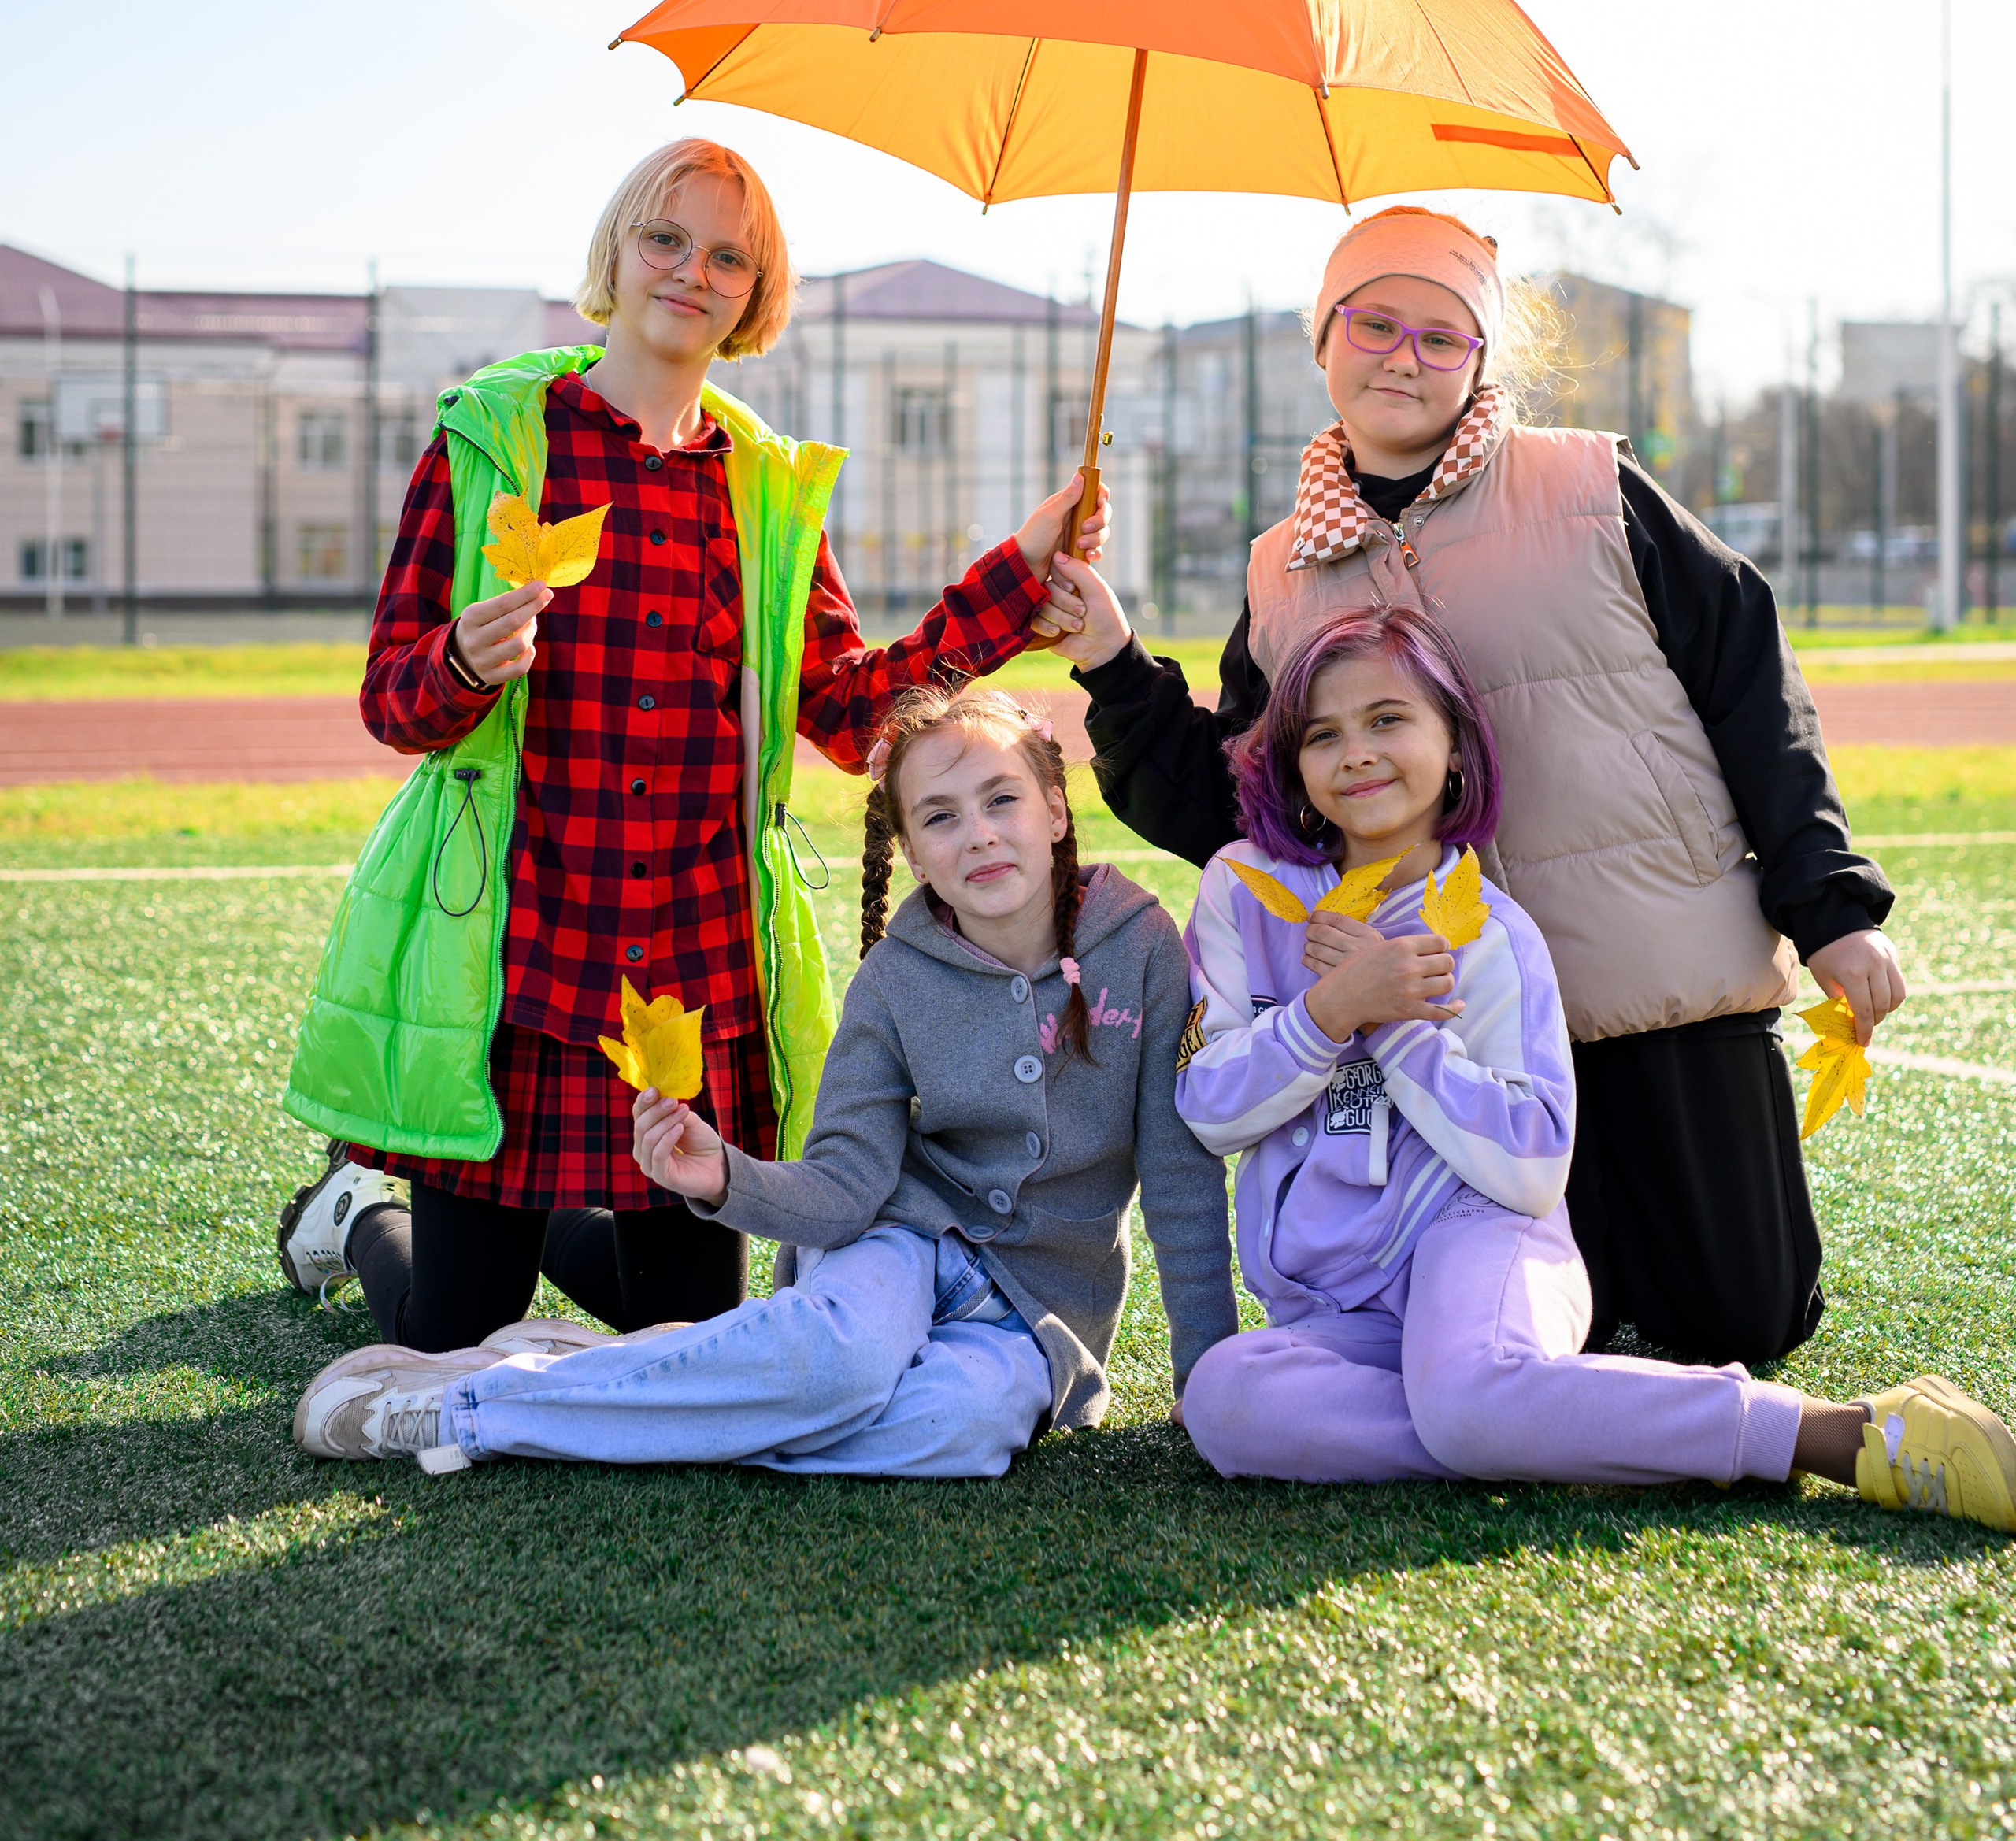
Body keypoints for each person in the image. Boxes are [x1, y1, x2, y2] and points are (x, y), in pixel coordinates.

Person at [273, 138, 1110, 1355]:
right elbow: (393, 703)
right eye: (666, 238)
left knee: (693, 1333)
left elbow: (848, 713)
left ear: (756, 294)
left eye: (729, 256)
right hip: (517, 943)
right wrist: (460, 658)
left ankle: (549, 1220)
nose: (691, 272)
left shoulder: (765, 488)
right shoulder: (499, 438)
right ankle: (354, 1215)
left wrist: (1014, 576)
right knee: (452, 1335)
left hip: (686, 957)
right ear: (617, 250)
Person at [1043, 205, 1905, 1369]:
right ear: (1322, 339)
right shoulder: (1281, 567)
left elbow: (1751, 680)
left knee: (1737, 1323)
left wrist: (1830, 906)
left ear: (1483, 359)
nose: (1404, 354)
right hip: (1453, 1025)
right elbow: (1244, 808)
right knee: (1556, 1337)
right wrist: (1112, 656)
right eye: (1375, 322)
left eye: (1442, 337)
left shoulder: (1590, 486)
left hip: (1651, 985)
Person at [1174, 607, 2015, 1529]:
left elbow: (1529, 1168)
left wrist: (1395, 1023)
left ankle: (1837, 1434)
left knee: (1467, 1393)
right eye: (1322, 734)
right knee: (1226, 1401)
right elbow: (1210, 1109)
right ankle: (1545, 1429)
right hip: (1337, 1295)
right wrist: (1329, 1009)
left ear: (1454, 746)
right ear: (1293, 765)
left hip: (1479, 1240)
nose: (1356, 753)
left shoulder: (1493, 933)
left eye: (1388, 718)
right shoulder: (1242, 890)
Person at [290, 688, 1238, 1475]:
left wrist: (1205, 1372)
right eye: (940, 817)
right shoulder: (896, 978)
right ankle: (472, 1407)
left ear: (1057, 810)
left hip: (1035, 1311)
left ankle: (663, 1373)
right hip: (895, 1241)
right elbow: (845, 1184)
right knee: (839, 1364)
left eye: (1002, 800)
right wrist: (724, 1177)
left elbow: (1183, 1177)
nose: (978, 836)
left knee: (962, 1428)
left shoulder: (1142, 946)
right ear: (908, 849)